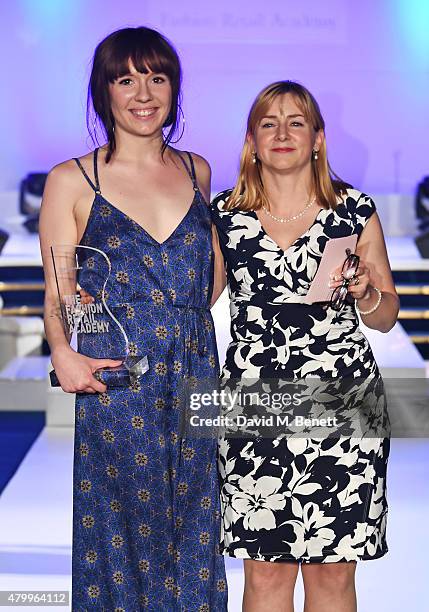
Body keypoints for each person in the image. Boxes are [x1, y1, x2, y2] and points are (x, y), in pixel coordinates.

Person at [39, 26, 227, 611]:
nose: (143, 93)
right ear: (105, 93)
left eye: (156, 77)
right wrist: (63, 351)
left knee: (198, 529)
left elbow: (210, 276)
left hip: (198, 369)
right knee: (121, 536)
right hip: (122, 372)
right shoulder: (72, 179)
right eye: (126, 79)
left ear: (174, 89)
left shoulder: (198, 170)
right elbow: (58, 286)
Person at [210, 81, 399, 612]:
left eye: (297, 122)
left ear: (317, 137)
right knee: (264, 575)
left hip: (344, 406)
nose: (283, 133)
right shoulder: (224, 214)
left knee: (333, 577)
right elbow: (197, 297)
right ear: (252, 140)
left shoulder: (353, 210)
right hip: (255, 407)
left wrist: (364, 293)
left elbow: (387, 316)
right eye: (269, 123)